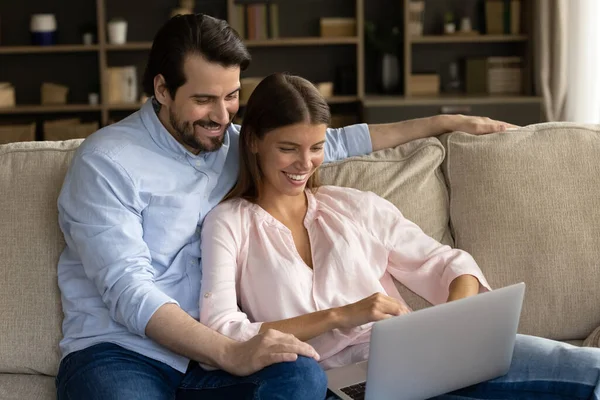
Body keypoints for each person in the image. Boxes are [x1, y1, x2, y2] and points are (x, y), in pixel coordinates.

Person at [55, 12, 516, 400]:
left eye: (231, 96)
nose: (221, 116)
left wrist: (442, 121)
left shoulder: (230, 142)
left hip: (216, 354)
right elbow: (129, 291)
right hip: (124, 352)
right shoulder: (106, 162)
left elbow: (324, 142)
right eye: (203, 100)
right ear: (160, 89)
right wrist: (228, 350)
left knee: (301, 375)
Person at [199, 72, 600, 399]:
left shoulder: (354, 206)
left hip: (415, 359)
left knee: (589, 369)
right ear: (253, 141)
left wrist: (449, 321)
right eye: (289, 148)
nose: (305, 164)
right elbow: (222, 329)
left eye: (317, 147)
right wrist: (341, 315)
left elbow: (447, 263)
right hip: (332, 381)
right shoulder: (230, 222)